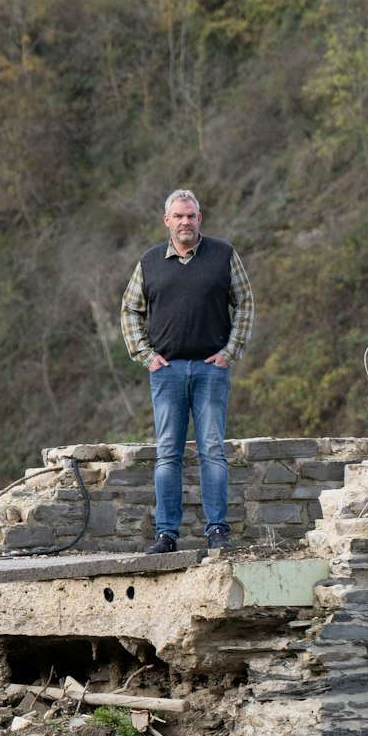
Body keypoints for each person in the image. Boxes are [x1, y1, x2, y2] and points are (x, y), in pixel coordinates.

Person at [120, 188, 254, 554]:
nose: (185, 222)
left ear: (200, 218)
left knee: (212, 450)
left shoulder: (223, 255)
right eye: (178, 216)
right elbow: (130, 311)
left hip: (212, 369)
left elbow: (244, 302)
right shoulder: (149, 263)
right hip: (167, 372)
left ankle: (217, 531)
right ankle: (167, 535)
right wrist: (145, 356)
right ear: (167, 221)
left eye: (191, 216)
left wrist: (231, 352)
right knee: (167, 454)